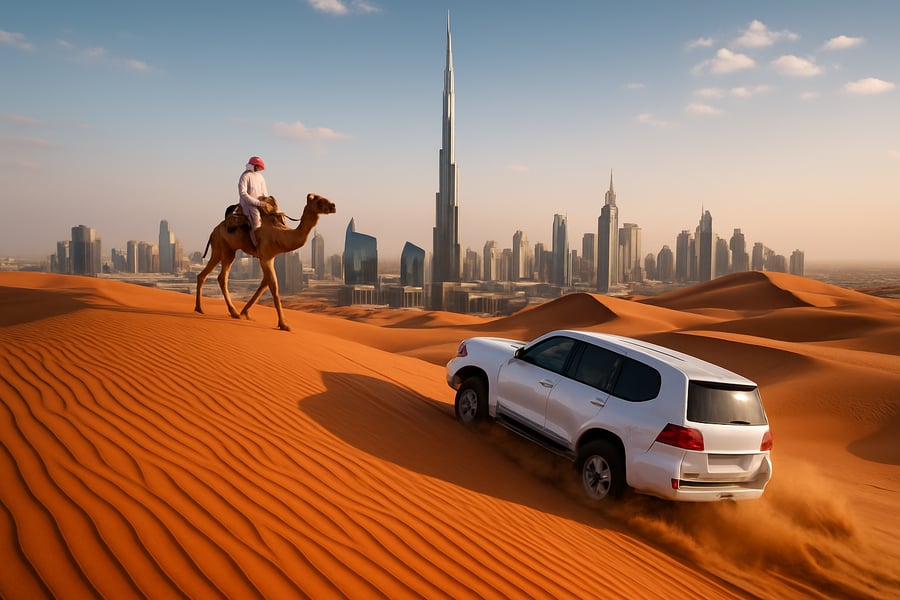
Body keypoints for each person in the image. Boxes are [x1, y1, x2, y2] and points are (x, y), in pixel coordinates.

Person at [238, 156, 269, 250]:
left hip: (261, 203)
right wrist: (257, 203)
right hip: (248, 204)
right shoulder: (245, 176)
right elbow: (243, 193)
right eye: (258, 166)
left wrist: (267, 202)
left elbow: (265, 192)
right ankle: (256, 246)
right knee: (256, 222)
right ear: (253, 165)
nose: (259, 168)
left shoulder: (260, 177)